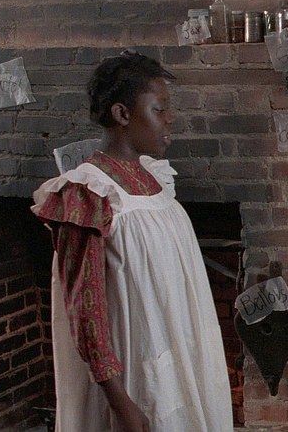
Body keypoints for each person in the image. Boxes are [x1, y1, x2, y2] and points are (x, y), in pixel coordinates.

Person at [31, 51, 233, 432]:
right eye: (159, 109)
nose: (170, 118)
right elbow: (85, 311)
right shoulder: (89, 194)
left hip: (171, 357)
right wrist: (120, 402)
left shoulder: (153, 179)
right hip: (130, 379)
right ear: (122, 114)